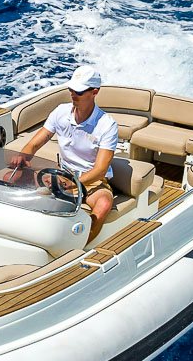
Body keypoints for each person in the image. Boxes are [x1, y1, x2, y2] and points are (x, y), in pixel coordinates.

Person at [9, 66, 118, 240]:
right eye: (71, 89)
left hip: (91, 181)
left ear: (95, 92)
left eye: (79, 92)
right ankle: (12, 229)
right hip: (62, 174)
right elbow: (36, 143)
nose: (73, 94)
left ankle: (79, 246)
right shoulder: (60, 112)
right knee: (11, 177)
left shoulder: (107, 125)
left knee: (104, 204)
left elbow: (100, 170)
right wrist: (23, 157)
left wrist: (73, 183)